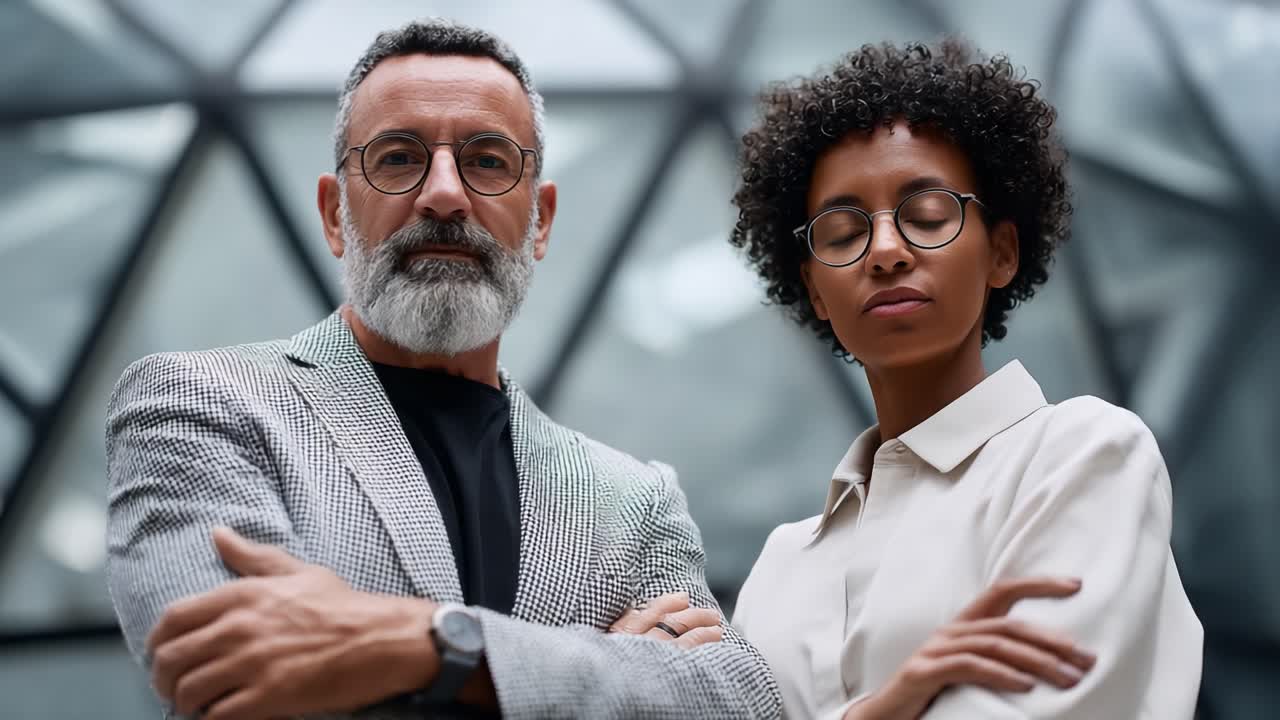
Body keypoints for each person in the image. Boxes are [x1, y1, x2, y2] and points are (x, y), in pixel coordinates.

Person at [103, 19, 780, 720]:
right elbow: (228, 675)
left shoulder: (635, 501)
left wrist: (426, 646)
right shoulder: (202, 407)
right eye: (399, 158)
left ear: (541, 221)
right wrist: (601, 674)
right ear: (336, 214)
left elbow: (734, 702)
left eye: (488, 161)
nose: (445, 195)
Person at [728, 40, 1202, 719]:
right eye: (841, 233)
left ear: (1002, 252)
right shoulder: (780, 567)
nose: (886, 250)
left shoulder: (1083, 457)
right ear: (815, 289)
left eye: (926, 215)